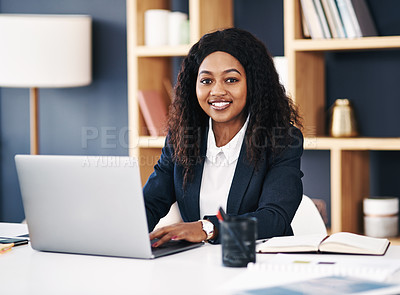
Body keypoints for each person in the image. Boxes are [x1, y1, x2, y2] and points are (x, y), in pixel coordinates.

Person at [144, 28, 303, 247]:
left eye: (230, 80)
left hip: (259, 264)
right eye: (206, 81)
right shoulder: (183, 137)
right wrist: (122, 230)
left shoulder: (282, 140)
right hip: (195, 265)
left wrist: (208, 228)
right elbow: (151, 202)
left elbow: (274, 218)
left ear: (253, 84)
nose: (217, 91)